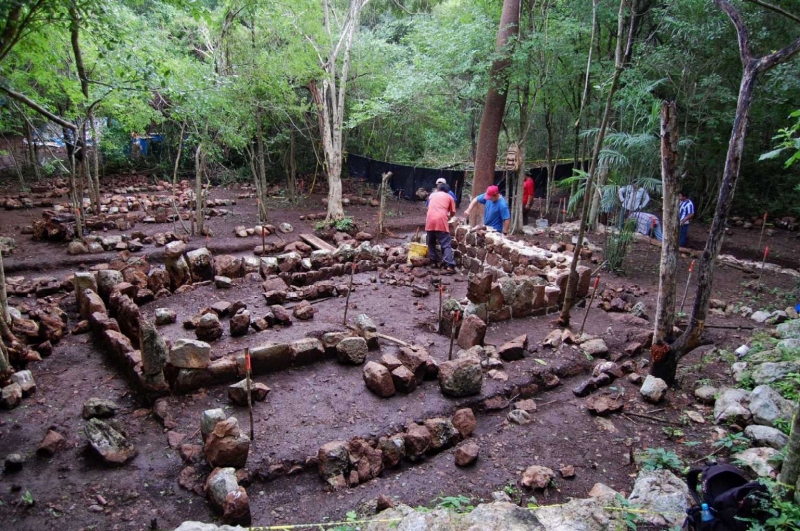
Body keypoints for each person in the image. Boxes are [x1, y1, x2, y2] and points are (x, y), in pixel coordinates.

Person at [425, 185, 457, 273]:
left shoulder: (432, 195)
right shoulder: (450, 197)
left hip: (430, 220)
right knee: (446, 244)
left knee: (431, 242)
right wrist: (449, 217)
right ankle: (449, 265)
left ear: (438, 189)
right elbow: (453, 212)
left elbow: (428, 208)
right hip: (441, 221)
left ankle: (433, 261)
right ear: (447, 190)